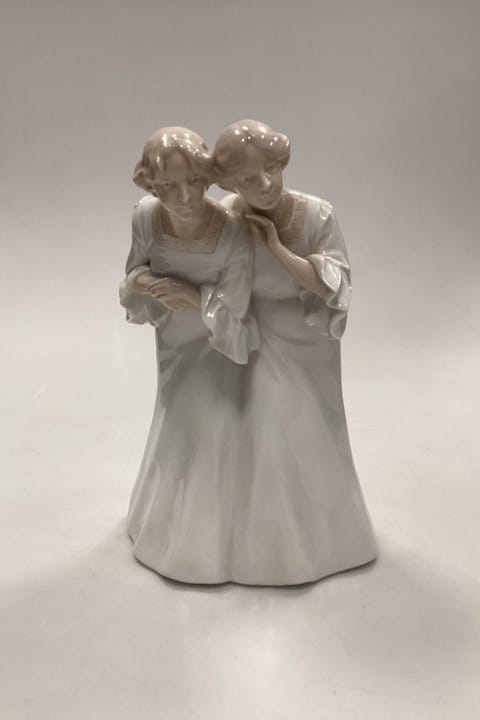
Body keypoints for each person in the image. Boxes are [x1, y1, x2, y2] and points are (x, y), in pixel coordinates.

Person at [212, 119, 377, 585]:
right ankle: (267, 548)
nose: (264, 184)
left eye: (270, 169)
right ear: (231, 184)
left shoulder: (316, 214)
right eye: (248, 179)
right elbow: (210, 270)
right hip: (253, 337)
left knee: (310, 434)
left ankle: (328, 540)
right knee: (264, 431)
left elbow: (332, 286)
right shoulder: (227, 216)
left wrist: (275, 246)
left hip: (305, 339)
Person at [120, 127, 259, 583]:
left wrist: (195, 297)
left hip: (215, 344)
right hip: (173, 344)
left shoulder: (232, 232)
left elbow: (237, 307)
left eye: (195, 182)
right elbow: (133, 273)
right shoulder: (145, 218)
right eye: (167, 186)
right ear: (150, 185)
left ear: (208, 177)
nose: (183, 197)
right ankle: (163, 526)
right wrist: (146, 284)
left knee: (210, 428)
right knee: (175, 424)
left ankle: (209, 542)